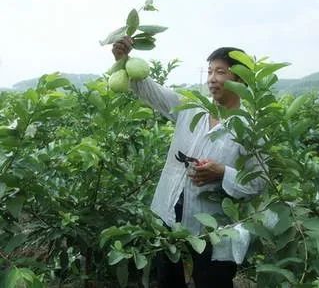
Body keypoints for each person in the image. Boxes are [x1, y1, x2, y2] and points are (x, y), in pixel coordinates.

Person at [112, 37, 265, 288]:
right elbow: (151, 91)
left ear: (240, 79)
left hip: (214, 229)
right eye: (210, 71)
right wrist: (124, 61)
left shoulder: (251, 129)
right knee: (167, 280)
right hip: (170, 213)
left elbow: (258, 182)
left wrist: (222, 173)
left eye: (221, 72)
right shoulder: (191, 108)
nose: (212, 78)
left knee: (212, 282)